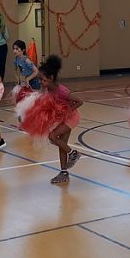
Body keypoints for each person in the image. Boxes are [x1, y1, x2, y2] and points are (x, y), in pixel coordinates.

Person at [38, 55, 84, 185]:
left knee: (52, 136)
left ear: (51, 78)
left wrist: (67, 112)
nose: (41, 82)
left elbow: (80, 102)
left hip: (71, 117)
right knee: (61, 143)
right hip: (64, 118)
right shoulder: (48, 89)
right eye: (39, 80)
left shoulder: (61, 91)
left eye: (43, 80)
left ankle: (73, 153)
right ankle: (64, 173)